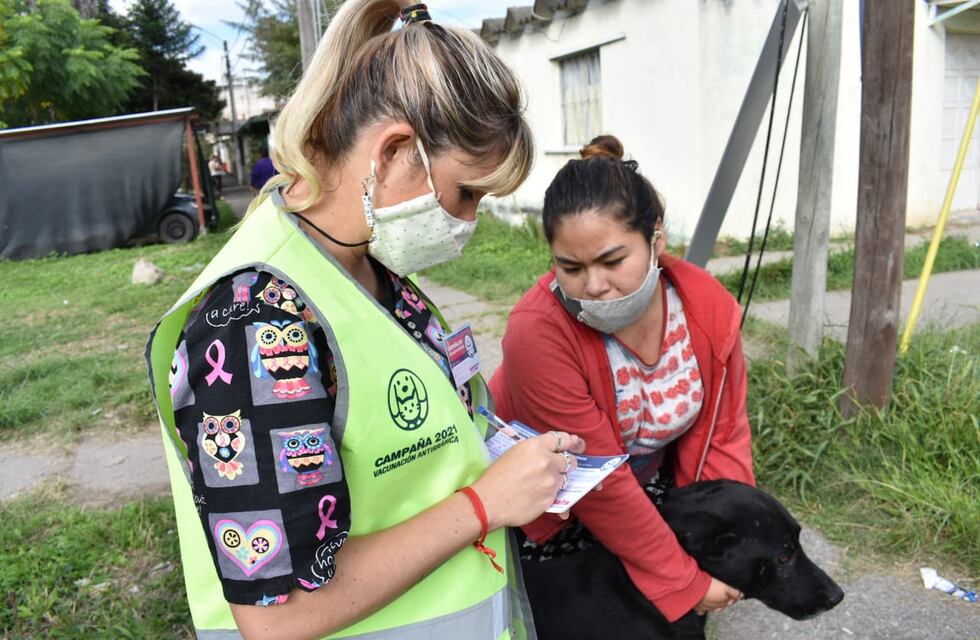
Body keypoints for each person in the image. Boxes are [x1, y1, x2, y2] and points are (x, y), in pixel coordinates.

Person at [145, 2, 585, 638]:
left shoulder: (370, 272)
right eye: (467, 193)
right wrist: (486, 503)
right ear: (394, 152)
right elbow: (280, 614)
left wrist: (504, 458)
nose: (468, 221)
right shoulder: (255, 321)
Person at [489, 134, 756, 624]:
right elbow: (598, 483)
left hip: (646, 493)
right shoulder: (537, 332)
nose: (594, 285)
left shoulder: (709, 309)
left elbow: (723, 436)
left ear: (657, 237)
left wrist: (723, 544)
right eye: (570, 267)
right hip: (559, 510)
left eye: (613, 261)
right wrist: (682, 580)